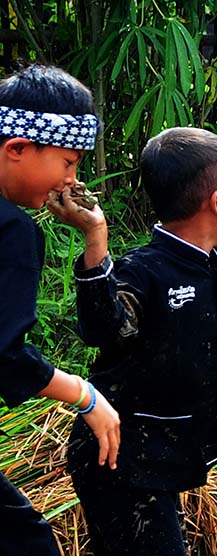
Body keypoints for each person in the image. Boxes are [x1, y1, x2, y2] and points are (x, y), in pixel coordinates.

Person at [47, 127, 217, 555]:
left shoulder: (215, 259)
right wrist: (96, 240)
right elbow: (105, 327)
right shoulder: (145, 272)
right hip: (122, 460)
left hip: (163, 457)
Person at [0, 64, 120, 556]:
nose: (70, 181)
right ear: (17, 149)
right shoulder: (12, 233)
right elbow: (4, 356)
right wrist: (83, 393)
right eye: (69, 163)